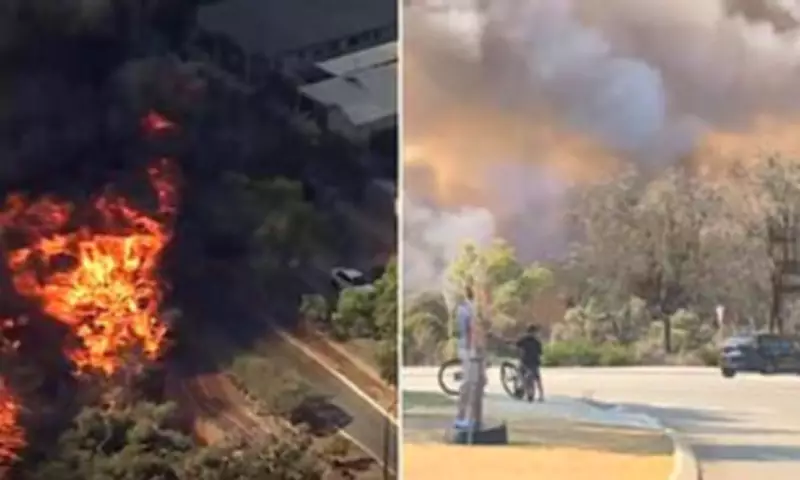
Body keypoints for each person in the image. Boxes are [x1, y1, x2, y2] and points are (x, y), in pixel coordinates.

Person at [454, 283, 476, 429]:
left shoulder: (472, 308)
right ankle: (462, 417)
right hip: (469, 348)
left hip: (473, 348)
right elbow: (467, 330)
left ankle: (470, 416)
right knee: (468, 383)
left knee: (476, 383)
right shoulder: (465, 309)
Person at [515, 324, 544, 402]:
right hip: (534, 362)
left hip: (526, 361)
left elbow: (517, 345)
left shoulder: (524, 339)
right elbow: (540, 353)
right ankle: (541, 395)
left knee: (522, 375)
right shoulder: (537, 342)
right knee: (537, 379)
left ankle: (523, 389)